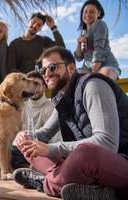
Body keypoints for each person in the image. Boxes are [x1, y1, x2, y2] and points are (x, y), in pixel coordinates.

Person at [12, 46, 128, 200]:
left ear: (71, 68)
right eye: (43, 70)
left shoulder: (93, 86)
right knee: (28, 145)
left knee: (85, 153)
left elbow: (107, 143)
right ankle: (91, 188)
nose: (47, 74)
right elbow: (45, 133)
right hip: (87, 165)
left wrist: (50, 149)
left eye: (52, 67)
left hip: (120, 160)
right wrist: (25, 136)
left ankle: (44, 182)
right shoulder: (62, 97)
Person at [74, 0, 121, 81]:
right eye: (85, 12)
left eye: (91, 12)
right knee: (73, 79)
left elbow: (98, 52)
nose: (87, 14)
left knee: (99, 81)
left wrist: (92, 75)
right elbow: (79, 58)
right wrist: (78, 43)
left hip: (106, 65)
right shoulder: (84, 32)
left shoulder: (99, 24)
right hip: (88, 68)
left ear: (98, 13)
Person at [21, 71, 62, 143]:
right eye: (28, 84)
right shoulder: (21, 107)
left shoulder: (51, 108)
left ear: (44, 87)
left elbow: (55, 142)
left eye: (36, 84)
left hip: (42, 151)